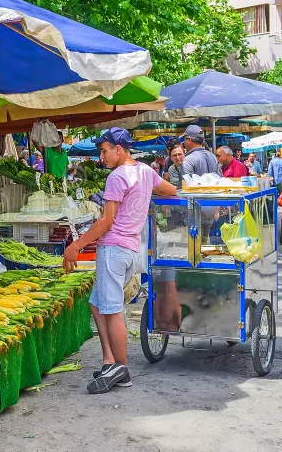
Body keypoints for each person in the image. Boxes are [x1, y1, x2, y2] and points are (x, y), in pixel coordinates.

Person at [62, 128, 177, 394]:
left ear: (119, 149)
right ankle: (109, 361)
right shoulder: (145, 171)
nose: (101, 156)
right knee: (96, 304)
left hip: (114, 249)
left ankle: (121, 369)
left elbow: (106, 221)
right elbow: (170, 190)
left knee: (113, 310)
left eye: (104, 150)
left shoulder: (117, 176)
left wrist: (76, 246)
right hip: (132, 249)